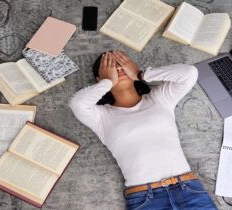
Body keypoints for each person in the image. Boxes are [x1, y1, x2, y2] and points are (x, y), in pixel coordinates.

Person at [69, 51, 217, 210]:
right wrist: (107, 82)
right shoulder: (101, 117)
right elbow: (77, 103)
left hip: (188, 190)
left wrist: (142, 74)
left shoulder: (160, 99)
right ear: (99, 79)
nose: (118, 69)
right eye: (111, 67)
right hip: (146, 200)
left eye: (121, 64)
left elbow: (189, 73)